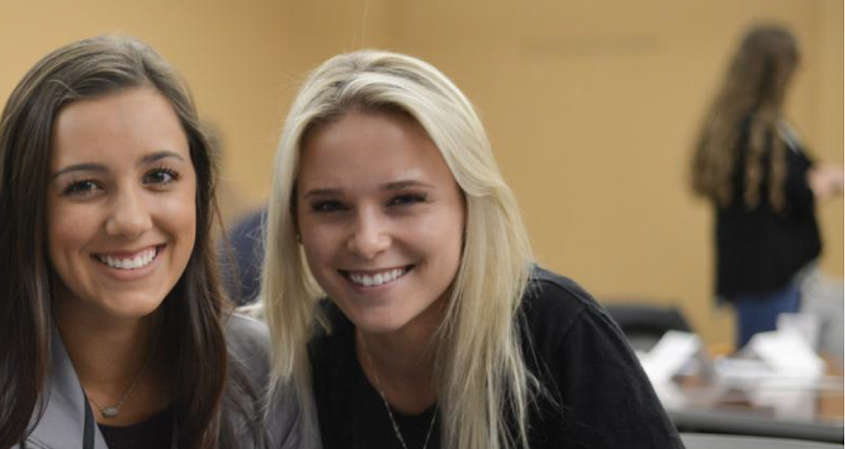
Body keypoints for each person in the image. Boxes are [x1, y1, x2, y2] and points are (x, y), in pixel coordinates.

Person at [259, 50, 682, 449]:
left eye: (405, 199)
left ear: (469, 204)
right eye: (330, 206)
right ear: (295, 223)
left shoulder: (554, 333)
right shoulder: (301, 357)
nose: (368, 241)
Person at [0, 35, 307, 449]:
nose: (130, 221)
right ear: (25, 210)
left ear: (198, 189)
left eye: (160, 176)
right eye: (84, 186)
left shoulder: (268, 378)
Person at [690, 24, 844, 349]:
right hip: (766, 282)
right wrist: (821, 183)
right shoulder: (753, 132)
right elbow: (799, 190)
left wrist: (822, 179)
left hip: (782, 278)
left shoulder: (764, 127)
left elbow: (808, 172)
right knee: (767, 382)